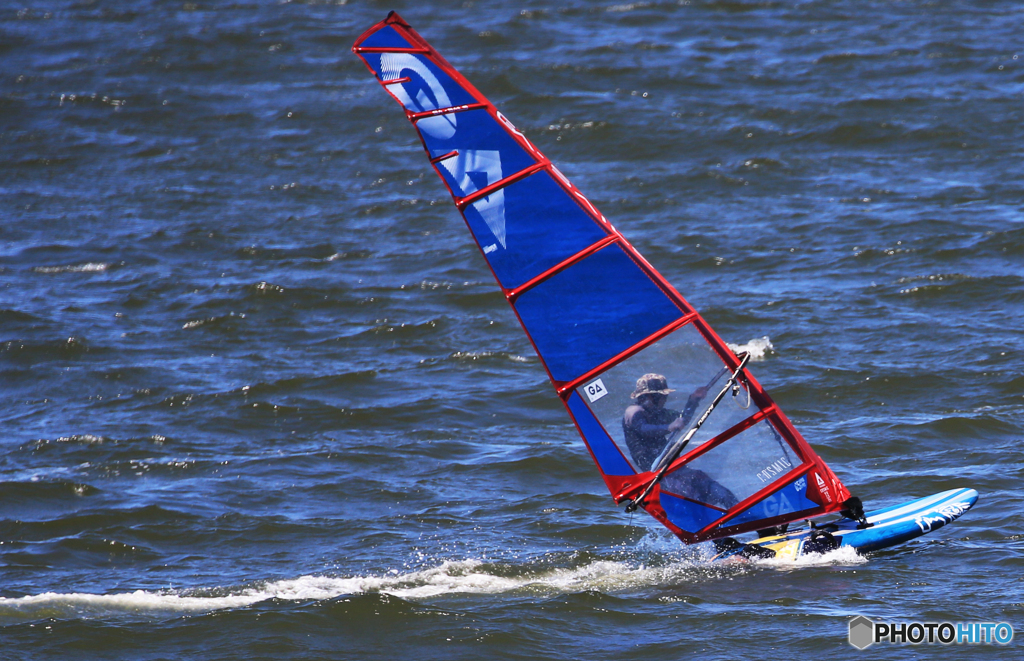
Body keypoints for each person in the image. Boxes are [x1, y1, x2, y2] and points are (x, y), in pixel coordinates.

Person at [622, 373, 738, 510]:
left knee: (721, 493)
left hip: (675, 468)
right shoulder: (633, 412)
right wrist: (668, 427)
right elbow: (644, 429)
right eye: (662, 396)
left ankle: (753, 522)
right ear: (650, 396)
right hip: (661, 475)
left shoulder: (658, 412)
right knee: (697, 500)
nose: (665, 399)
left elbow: (682, 420)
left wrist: (693, 400)